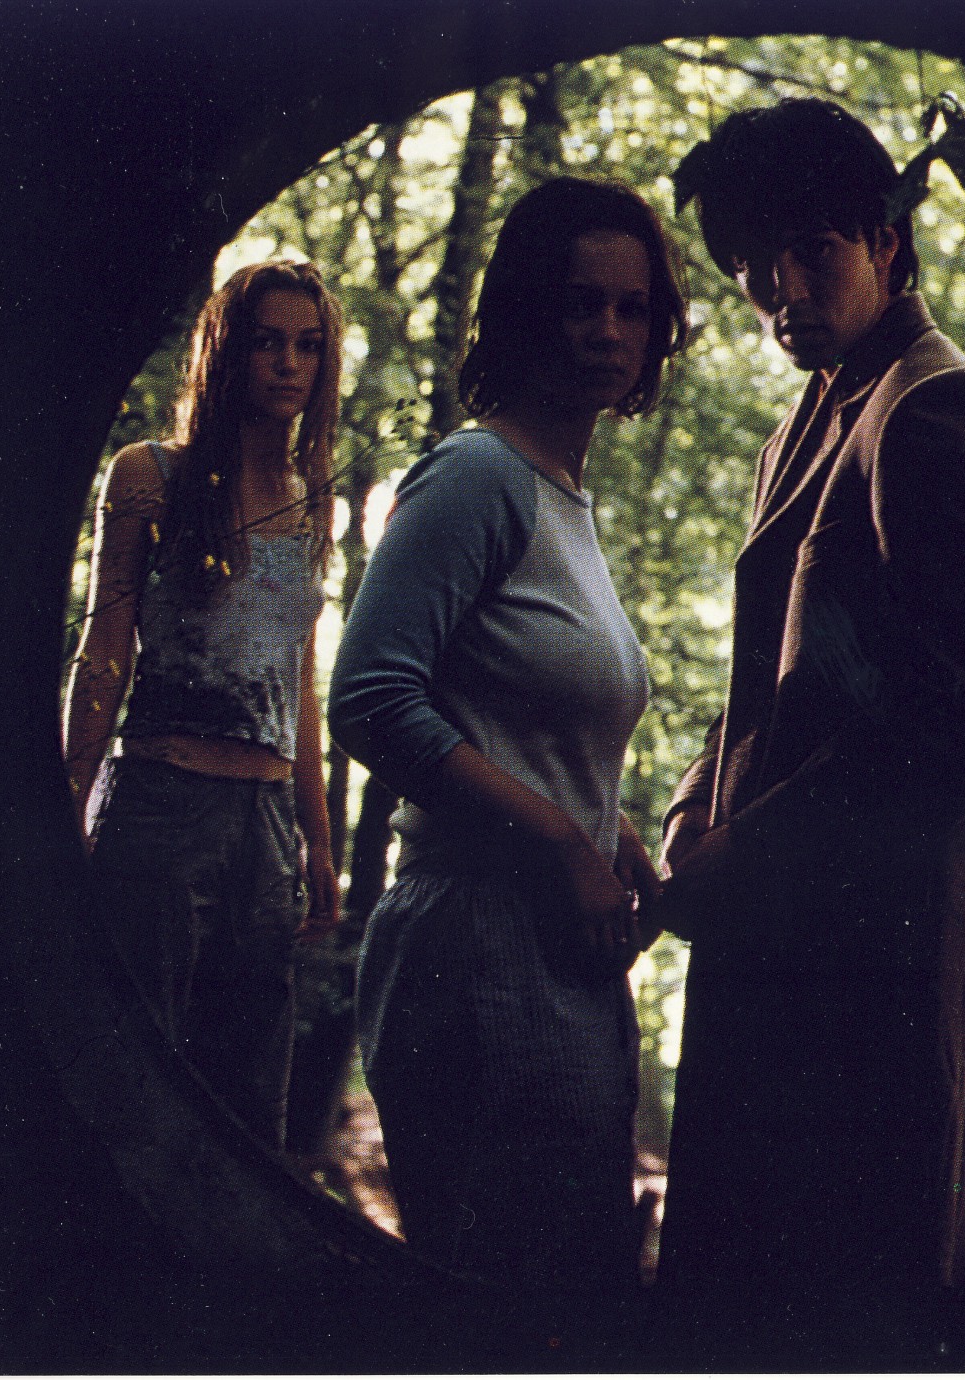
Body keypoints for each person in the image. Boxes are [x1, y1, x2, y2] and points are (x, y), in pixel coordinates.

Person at [653, 99, 965, 1362]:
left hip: (874, 989)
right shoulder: (811, 417)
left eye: (810, 251)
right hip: (778, 963)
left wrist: (751, 852)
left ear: (888, 240)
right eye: (750, 264)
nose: (780, 290)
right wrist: (689, 811)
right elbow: (772, 683)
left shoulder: (939, 407)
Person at [327, 177, 688, 1340]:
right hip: (471, 941)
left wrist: (610, 834)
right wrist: (561, 841)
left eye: (633, 309)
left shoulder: (564, 499)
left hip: (554, 950)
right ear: (526, 311)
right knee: (503, 1318)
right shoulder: (475, 477)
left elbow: (523, 723)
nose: (609, 332)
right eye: (581, 303)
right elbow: (369, 698)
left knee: (572, 1297)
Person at [64, 260, 344, 1150]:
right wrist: (67, 798)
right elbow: (104, 649)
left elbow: (296, 682)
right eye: (267, 342)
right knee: (133, 1076)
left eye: (308, 345)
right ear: (226, 352)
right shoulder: (152, 475)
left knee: (250, 1105)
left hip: (265, 826)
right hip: (161, 804)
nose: (288, 364)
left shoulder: (308, 501)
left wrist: (317, 841)